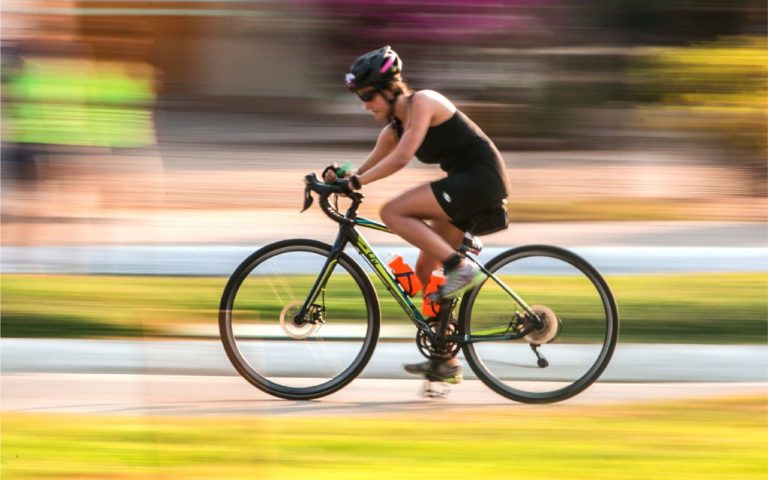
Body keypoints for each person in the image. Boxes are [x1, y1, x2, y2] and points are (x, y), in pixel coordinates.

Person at [324, 46, 511, 384]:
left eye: (367, 96)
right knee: (426, 271)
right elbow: (364, 168)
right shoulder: (392, 130)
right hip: (462, 185)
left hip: (480, 180)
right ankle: (445, 359)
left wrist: (356, 182)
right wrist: (338, 177)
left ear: (389, 89)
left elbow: (401, 158)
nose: (365, 105)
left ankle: (461, 267)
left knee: (392, 211)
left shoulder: (424, 101)